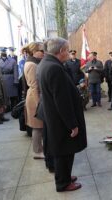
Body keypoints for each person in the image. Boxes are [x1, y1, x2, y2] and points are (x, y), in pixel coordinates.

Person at [38, 37, 87, 192]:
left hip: (55, 117)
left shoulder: (48, 63)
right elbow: (62, 100)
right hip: (60, 119)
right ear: (61, 51)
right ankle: (63, 183)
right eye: (67, 49)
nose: (68, 52)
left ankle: (64, 176)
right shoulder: (54, 68)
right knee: (64, 151)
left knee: (62, 150)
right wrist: (72, 124)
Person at [23, 42, 45, 159]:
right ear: (34, 51)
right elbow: (34, 85)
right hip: (34, 98)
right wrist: (39, 104)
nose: (43, 53)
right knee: (37, 126)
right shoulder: (32, 64)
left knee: (38, 126)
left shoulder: (32, 62)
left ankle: (39, 150)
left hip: (34, 96)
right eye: (41, 51)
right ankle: (37, 152)